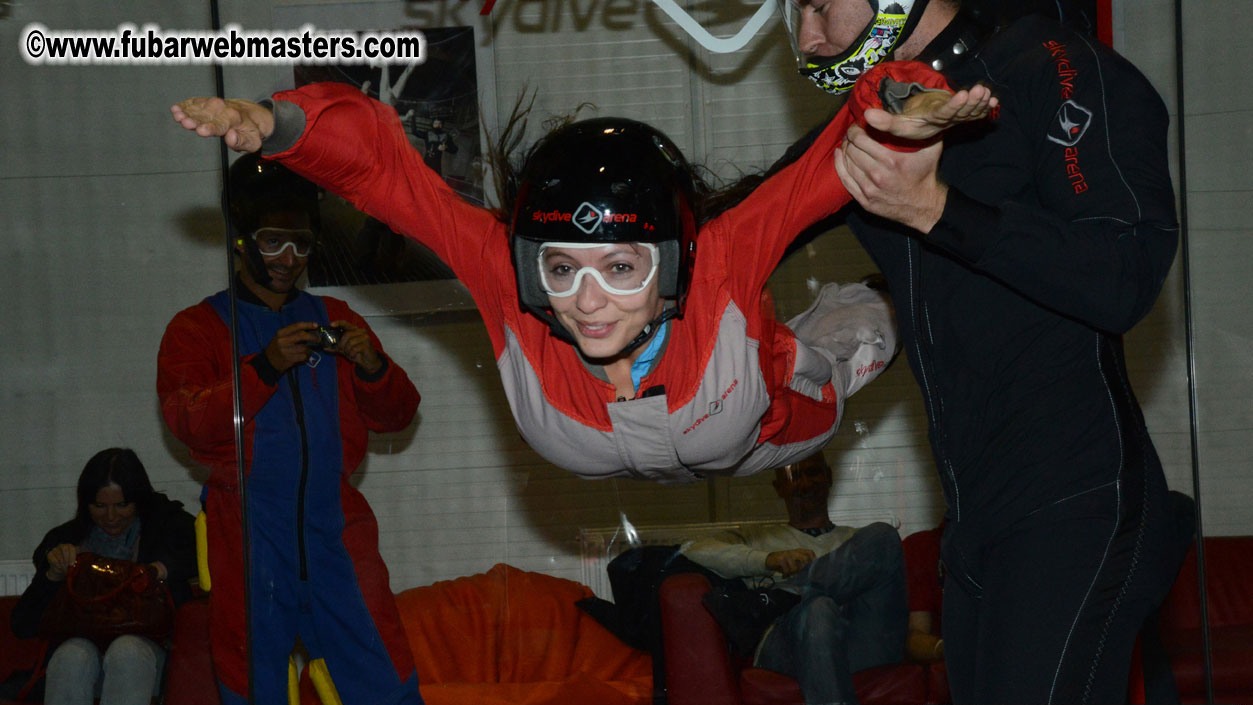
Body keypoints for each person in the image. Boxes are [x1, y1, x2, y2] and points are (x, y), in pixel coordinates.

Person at [168, 62, 995, 484]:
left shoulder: (721, 257)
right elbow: (386, 174)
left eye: (620, 267)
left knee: (863, 332)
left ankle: (870, 308)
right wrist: (280, 125)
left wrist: (906, 103)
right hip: (685, 431)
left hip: (773, 418)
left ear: (674, 262)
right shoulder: (506, 278)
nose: (586, 303)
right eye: (559, 268)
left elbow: (834, 161)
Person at [780, 0, 1183, 705]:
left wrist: (934, 208)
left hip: (1074, 501)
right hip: (972, 518)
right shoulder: (893, 103)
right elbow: (751, 217)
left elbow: (1122, 276)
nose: (806, 40)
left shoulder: (1056, 68)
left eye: (818, 6)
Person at [156, 155, 442, 705]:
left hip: (336, 528)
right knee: (253, 690)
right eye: (271, 241)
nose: (288, 256)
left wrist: (372, 368)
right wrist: (261, 367)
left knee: (382, 676)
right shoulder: (197, 328)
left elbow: (398, 414)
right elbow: (190, 423)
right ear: (241, 242)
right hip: (247, 531)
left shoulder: (338, 317)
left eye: (302, 243)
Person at [10, 448, 197, 705]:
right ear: (86, 504)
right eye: (99, 506)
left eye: (122, 505)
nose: (111, 517)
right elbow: (22, 624)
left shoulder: (168, 527)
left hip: (142, 657)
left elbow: (205, 555)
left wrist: (164, 570)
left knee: (127, 651)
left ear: (138, 500)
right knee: (72, 656)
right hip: (81, 660)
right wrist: (52, 576)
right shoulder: (66, 540)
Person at [680, 451, 907, 705]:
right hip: (788, 647)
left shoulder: (856, 543)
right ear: (779, 487)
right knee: (818, 610)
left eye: (813, 473)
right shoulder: (758, 538)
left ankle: (789, 593)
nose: (805, 483)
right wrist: (768, 560)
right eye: (794, 476)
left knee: (883, 535)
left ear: (828, 478)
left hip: (856, 644)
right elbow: (692, 550)